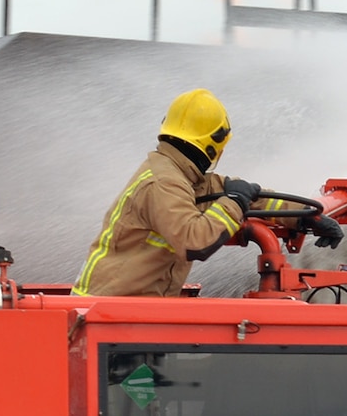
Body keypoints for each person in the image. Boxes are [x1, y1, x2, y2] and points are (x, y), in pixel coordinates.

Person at [71, 89, 263, 298]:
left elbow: (239, 193)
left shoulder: (183, 177)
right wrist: (234, 202)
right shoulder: (164, 183)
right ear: (212, 146)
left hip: (122, 311)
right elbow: (194, 241)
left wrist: (301, 213)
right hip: (104, 315)